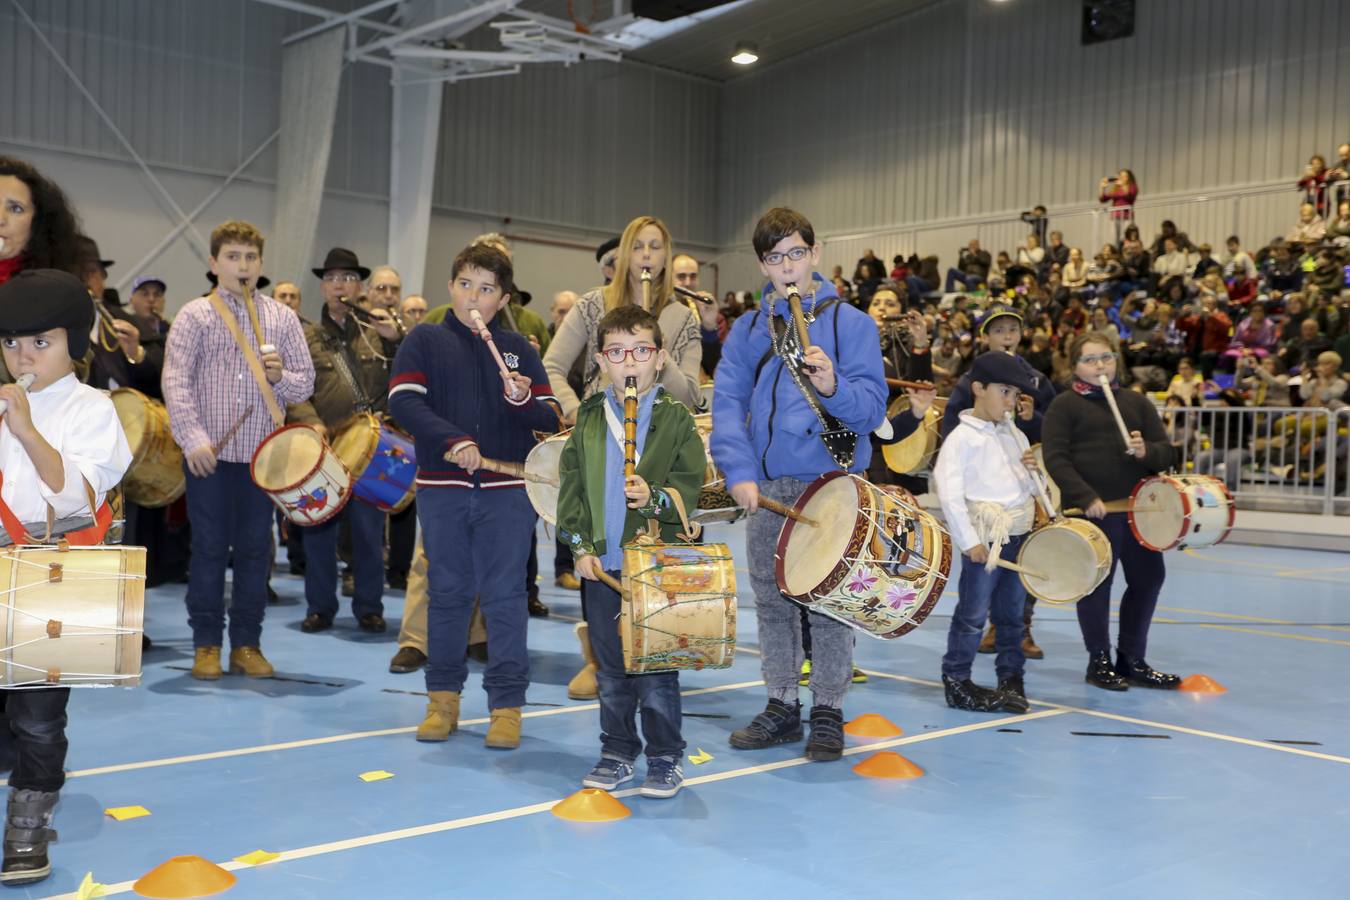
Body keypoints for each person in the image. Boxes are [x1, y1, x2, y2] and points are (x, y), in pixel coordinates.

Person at [710, 207, 886, 762]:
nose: (786, 266)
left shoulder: (852, 324)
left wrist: (834, 385)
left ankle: (829, 709)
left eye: (794, 253)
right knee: (771, 598)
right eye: (773, 258)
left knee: (829, 602)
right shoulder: (746, 330)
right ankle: (782, 703)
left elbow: (872, 409)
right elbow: (727, 405)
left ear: (814, 253)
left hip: (830, 484)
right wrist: (738, 473)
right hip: (767, 487)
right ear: (763, 266)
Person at [389, 242, 561, 750]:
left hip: (507, 492)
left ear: (502, 298)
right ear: (450, 286)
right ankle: (442, 699)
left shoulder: (519, 349)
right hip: (443, 489)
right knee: (447, 596)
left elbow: (550, 417)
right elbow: (403, 401)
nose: (473, 297)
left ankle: (506, 707)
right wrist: (452, 441)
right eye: (465, 285)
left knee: (507, 599)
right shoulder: (424, 339)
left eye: (486, 290)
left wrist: (522, 397)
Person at [0, 270, 132, 885]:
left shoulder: (93, 409)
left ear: (72, 341)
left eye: (39, 343)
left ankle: (29, 821)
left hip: (52, 571)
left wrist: (23, 428)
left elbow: (75, 495)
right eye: (9, 343)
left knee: (38, 714)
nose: (22, 357)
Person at [557, 305, 705, 798]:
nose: (630, 363)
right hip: (603, 568)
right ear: (602, 361)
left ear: (659, 359)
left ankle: (665, 756)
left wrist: (657, 498)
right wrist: (580, 546)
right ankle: (618, 750)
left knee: (657, 671)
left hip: (655, 566)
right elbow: (572, 489)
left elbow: (693, 486)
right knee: (612, 671)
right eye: (617, 353)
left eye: (641, 351)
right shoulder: (591, 418)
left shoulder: (676, 417)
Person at [163, 221, 315, 680]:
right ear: (214, 264)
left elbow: (304, 382)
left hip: (262, 458)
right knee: (209, 550)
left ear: (261, 264)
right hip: (210, 457)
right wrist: (193, 440)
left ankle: (247, 644)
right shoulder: (195, 315)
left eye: (250, 258)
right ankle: (206, 643)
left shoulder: (282, 318)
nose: (242, 266)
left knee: (254, 552)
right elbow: (175, 380)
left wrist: (278, 378)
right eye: (232, 257)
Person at [1042, 332, 1181, 692]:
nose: (1100, 365)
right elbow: (1056, 458)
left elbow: (1167, 454)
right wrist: (1085, 496)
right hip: (1093, 512)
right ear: (1074, 365)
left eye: (1106, 357)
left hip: (1138, 513)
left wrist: (1145, 451)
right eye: (1090, 359)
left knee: (1148, 580)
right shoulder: (1064, 406)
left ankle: (1132, 658)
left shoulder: (1137, 403)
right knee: (1096, 585)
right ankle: (1098, 659)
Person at [287, 248, 400, 635]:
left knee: (369, 532)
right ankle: (320, 607)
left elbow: (403, 377)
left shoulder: (376, 332)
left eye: (349, 278)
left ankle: (369, 606)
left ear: (359, 286)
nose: (340, 285)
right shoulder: (305, 335)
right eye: (333, 278)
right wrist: (311, 423)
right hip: (324, 445)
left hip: (369, 446)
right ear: (323, 286)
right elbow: (294, 390)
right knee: (319, 528)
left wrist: (396, 340)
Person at [933, 352, 1039, 714]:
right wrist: (969, 541)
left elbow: (1032, 492)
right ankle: (957, 679)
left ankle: (1011, 677)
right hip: (985, 541)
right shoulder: (961, 439)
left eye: (1014, 395)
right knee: (973, 613)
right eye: (1004, 392)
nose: (1010, 403)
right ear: (978, 388)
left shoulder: (1016, 437)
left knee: (1012, 614)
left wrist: (1033, 471)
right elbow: (948, 493)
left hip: (1018, 535)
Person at [544, 216, 702, 421]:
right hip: (601, 432)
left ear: (666, 257)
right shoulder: (591, 304)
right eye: (636, 247)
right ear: (624, 254)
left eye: (655, 247)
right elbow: (551, 367)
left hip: (663, 437)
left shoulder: (685, 318)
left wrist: (661, 355)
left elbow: (689, 398)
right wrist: (576, 412)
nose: (646, 255)